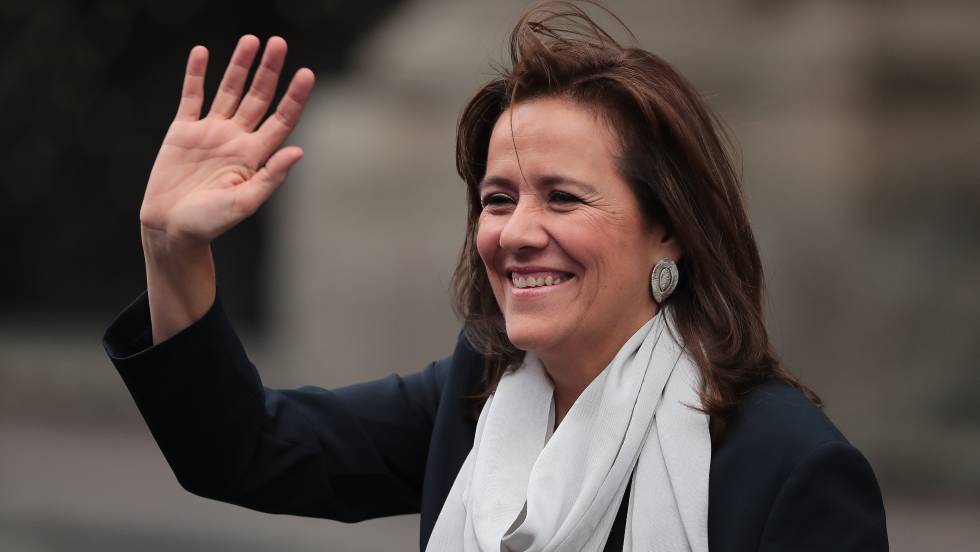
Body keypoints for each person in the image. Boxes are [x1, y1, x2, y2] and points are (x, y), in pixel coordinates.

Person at [103, 2, 889, 551]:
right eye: (498, 199)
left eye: (563, 198)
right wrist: (173, 250)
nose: (516, 233)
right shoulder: (476, 390)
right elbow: (245, 449)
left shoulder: (790, 468)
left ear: (670, 230)